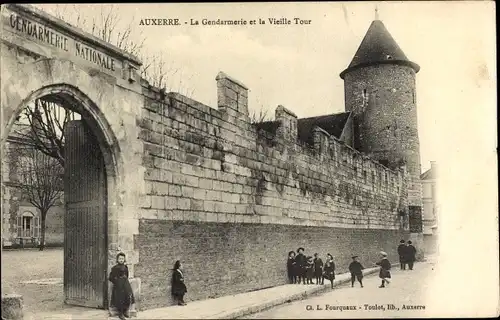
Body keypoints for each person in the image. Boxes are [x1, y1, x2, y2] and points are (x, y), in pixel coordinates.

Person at [109, 253, 135, 320]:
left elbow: (127, 275)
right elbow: (110, 277)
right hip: (118, 286)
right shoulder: (114, 268)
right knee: (120, 298)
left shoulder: (125, 267)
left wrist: (125, 280)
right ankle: (120, 314)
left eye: (122, 259)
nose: (121, 260)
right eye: (120, 259)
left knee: (128, 296)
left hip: (125, 284)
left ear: (124, 259)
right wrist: (116, 281)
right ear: (117, 259)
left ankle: (125, 311)